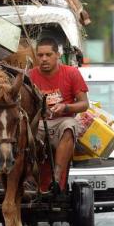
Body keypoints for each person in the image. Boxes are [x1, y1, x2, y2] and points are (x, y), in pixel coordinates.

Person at [28, 37, 89, 192]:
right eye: (40, 55)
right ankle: (28, 177)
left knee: (69, 126)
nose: (44, 59)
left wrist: (65, 107)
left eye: (48, 55)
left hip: (63, 121)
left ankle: (56, 177)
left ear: (57, 55)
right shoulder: (29, 76)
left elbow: (84, 104)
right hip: (39, 123)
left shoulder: (71, 73)